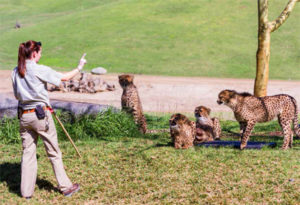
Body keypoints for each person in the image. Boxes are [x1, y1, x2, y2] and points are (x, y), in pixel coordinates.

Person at [11, 40, 87, 199]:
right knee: (53, 152)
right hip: (40, 115)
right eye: (39, 52)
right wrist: (79, 67)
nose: (41, 55)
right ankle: (66, 187)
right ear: (34, 54)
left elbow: (17, 95)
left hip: (24, 115)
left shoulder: (15, 71)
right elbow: (64, 78)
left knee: (28, 153)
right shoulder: (39, 69)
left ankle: (26, 193)